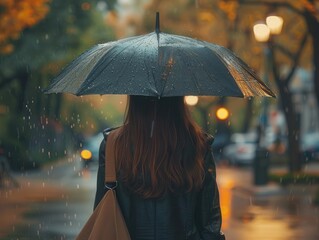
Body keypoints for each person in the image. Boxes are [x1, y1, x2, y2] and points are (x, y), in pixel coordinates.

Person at [94, 95, 225, 240]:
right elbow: (209, 223)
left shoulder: (113, 145)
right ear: (178, 99)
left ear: (134, 98)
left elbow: (102, 214)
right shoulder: (198, 145)